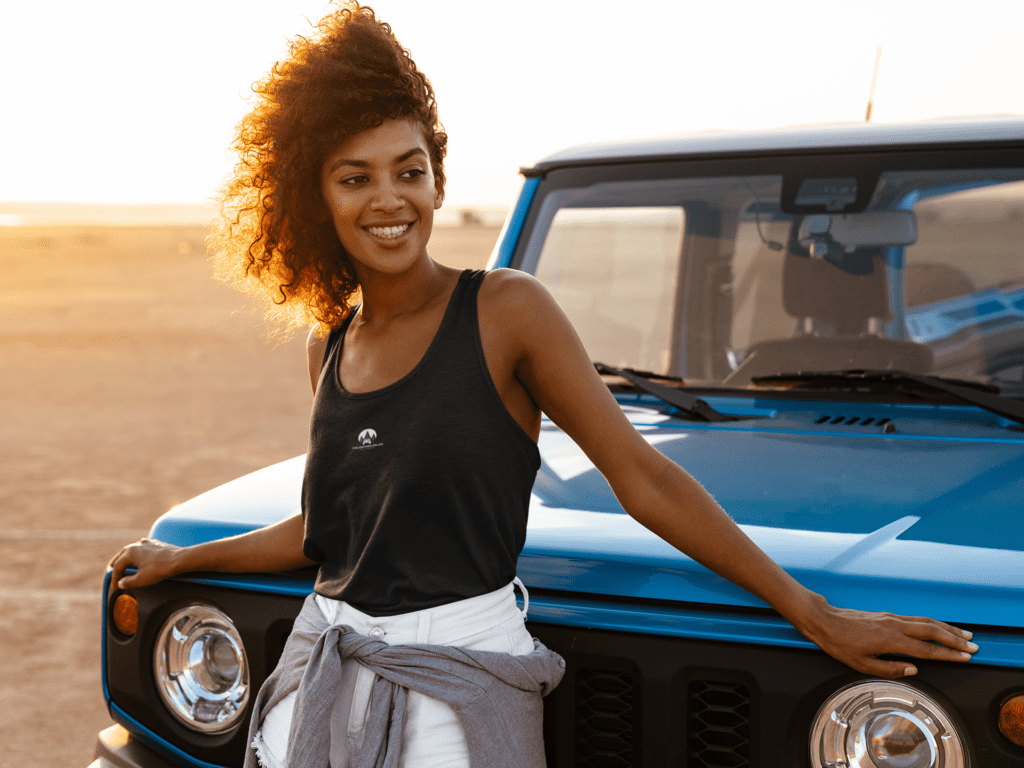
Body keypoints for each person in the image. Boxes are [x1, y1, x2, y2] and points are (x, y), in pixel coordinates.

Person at [107, 3, 978, 766]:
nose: (390, 199)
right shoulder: (329, 345)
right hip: (323, 661)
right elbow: (330, 531)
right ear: (317, 198)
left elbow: (645, 478)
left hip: (463, 675)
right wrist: (185, 559)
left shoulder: (505, 310)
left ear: (439, 178)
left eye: (409, 170)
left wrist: (812, 610)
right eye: (356, 177)